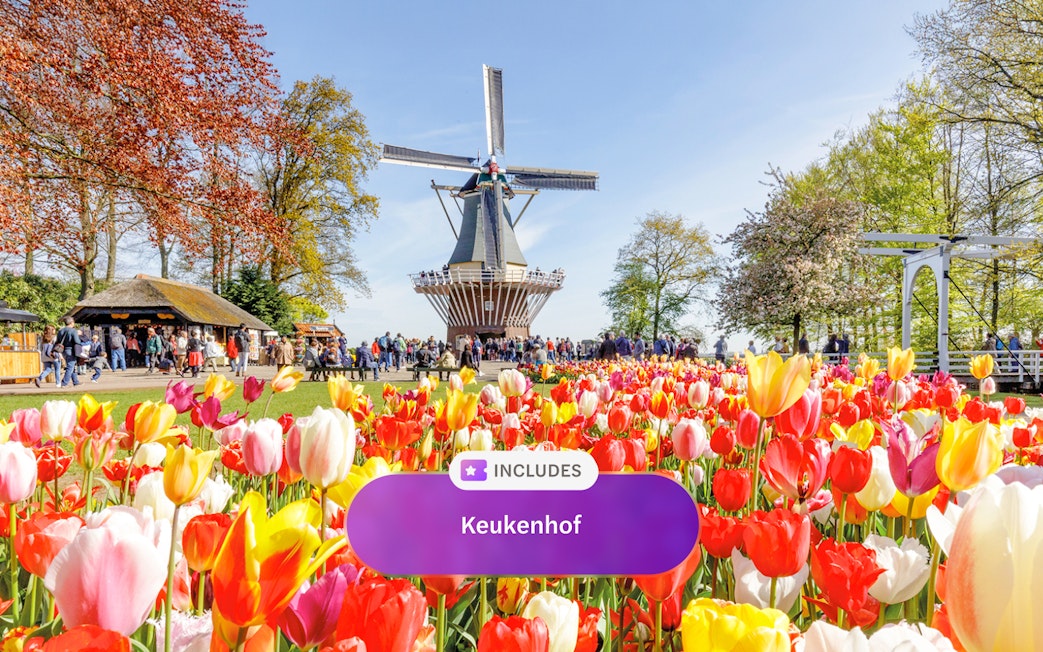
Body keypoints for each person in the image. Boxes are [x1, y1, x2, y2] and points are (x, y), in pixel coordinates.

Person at [56, 317, 81, 387]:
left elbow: (58, 341)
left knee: (71, 366)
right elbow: (77, 341)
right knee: (70, 367)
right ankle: (64, 383)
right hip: (71, 350)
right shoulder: (73, 331)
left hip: (63, 351)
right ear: (71, 322)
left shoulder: (60, 331)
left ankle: (75, 381)